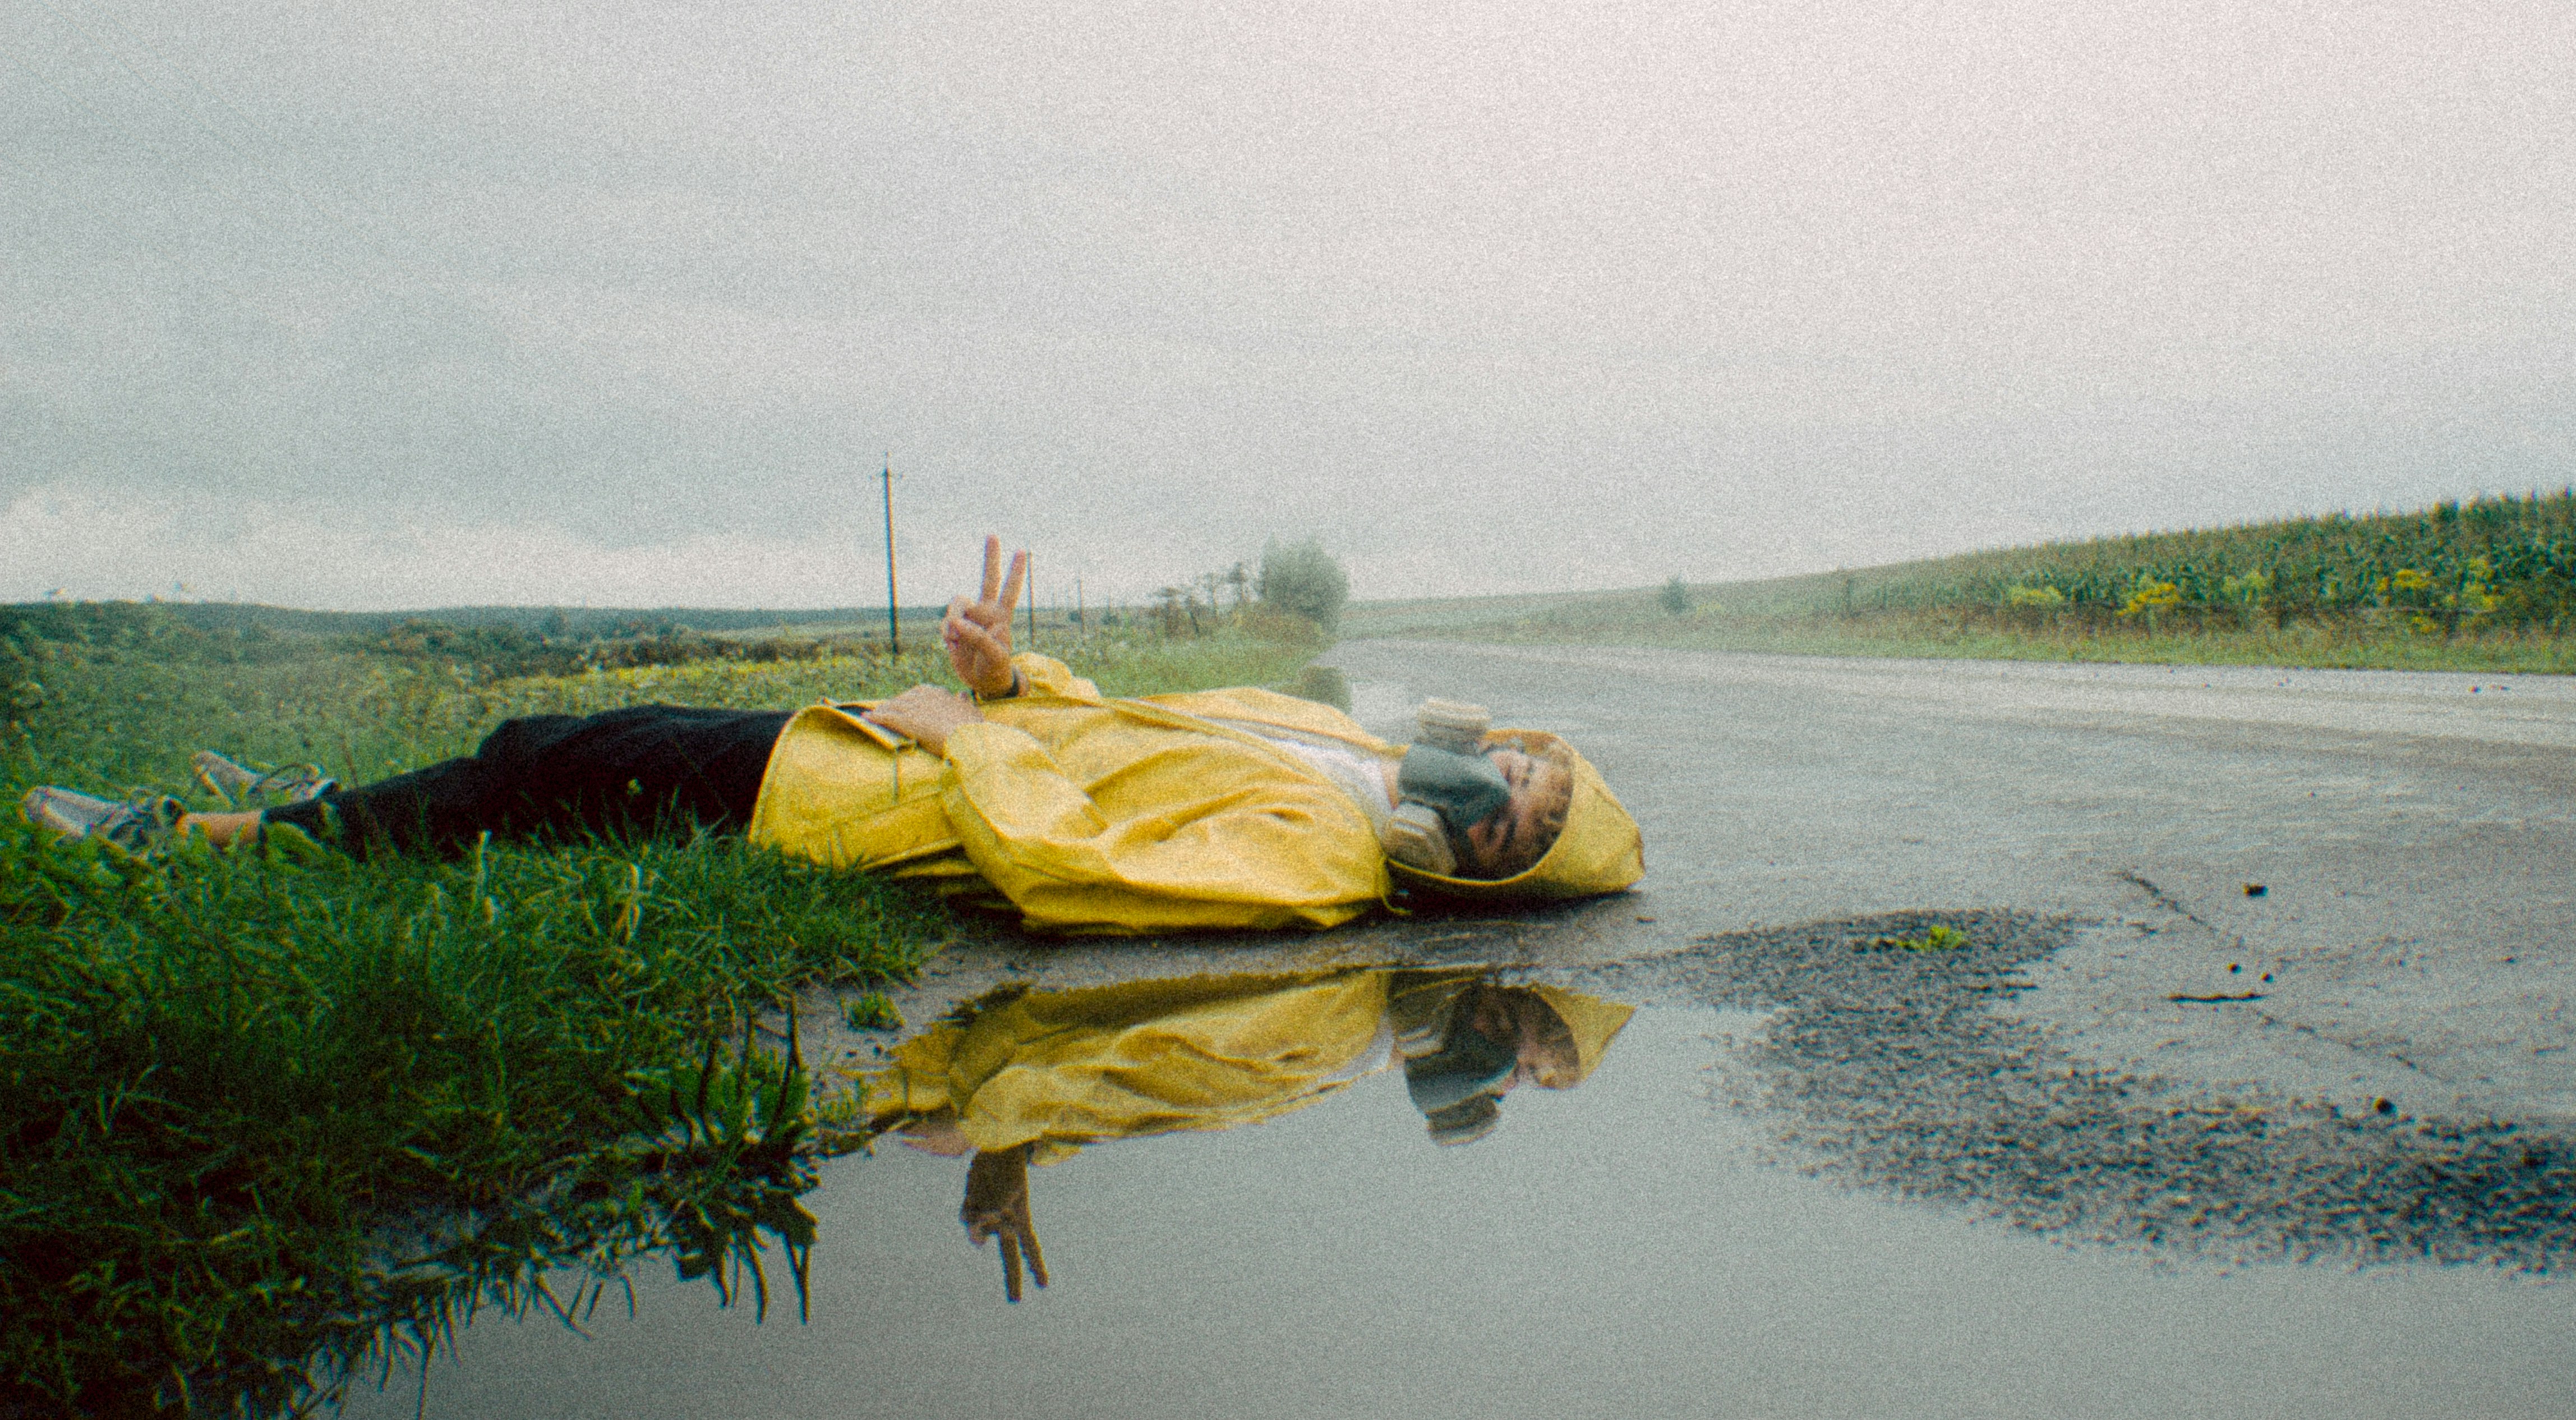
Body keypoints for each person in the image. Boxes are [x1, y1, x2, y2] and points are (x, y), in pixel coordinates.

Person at [20, 538, 1644, 934]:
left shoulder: (1318, 861)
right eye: (1521, 764)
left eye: (1513, 818)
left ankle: (219, 844)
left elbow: (1067, 865)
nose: (1497, 785)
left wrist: (963, 736)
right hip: (901, 741)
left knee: (554, 765)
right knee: (551, 742)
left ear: (1474, 870)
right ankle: (330, 804)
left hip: (873, 800)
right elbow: (1111, 739)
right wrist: (1010, 679)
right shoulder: (1315, 735)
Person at [866, 967, 1637, 1300]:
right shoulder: (1340, 1027)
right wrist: (990, 1130)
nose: (1497, 1076)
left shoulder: (1358, 1054)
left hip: (948, 1078)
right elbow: (1133, 1048)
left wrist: (1023, 1144)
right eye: (1505, 1029)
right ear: (1478, 983)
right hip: (924, 1060)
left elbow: (1150, 1096)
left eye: (1524, 1078)